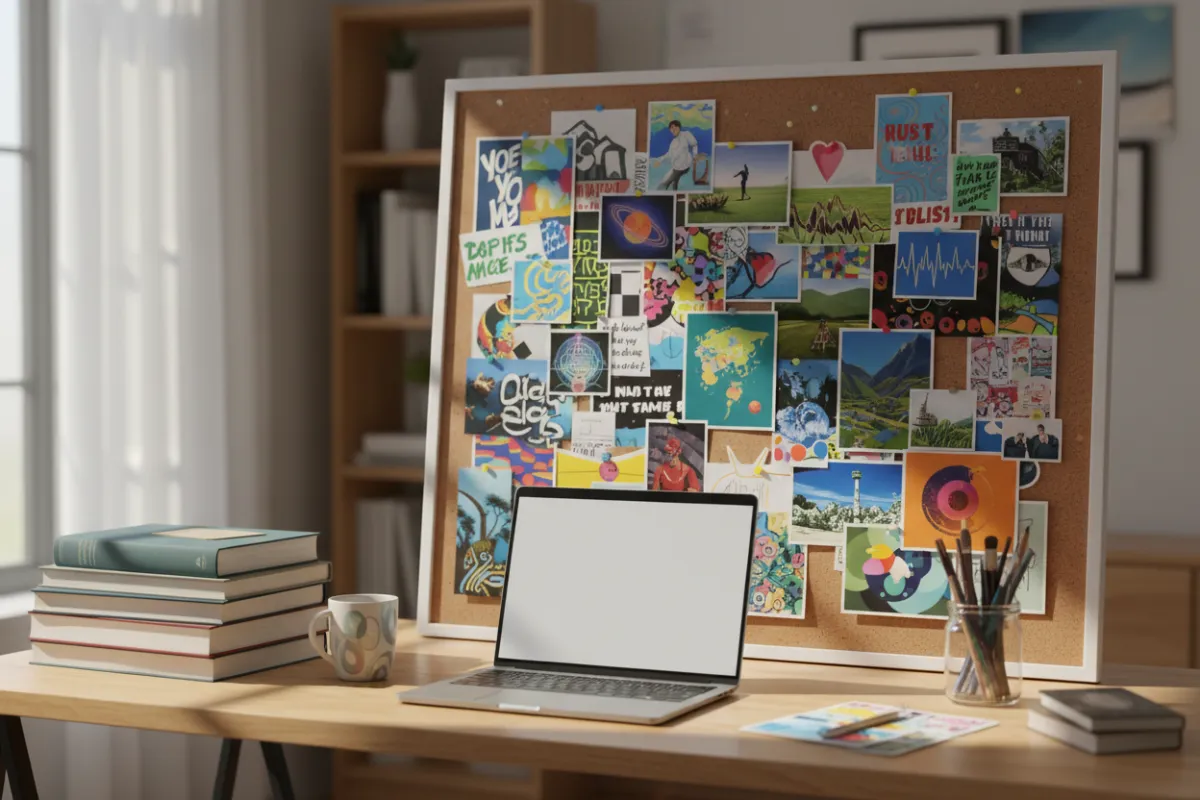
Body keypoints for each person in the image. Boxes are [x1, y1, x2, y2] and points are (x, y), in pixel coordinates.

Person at [657, 120, 699, 191]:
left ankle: (663, 192)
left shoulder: (686, 134)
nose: (673, 129)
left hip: (684, 166)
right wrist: (660, 160)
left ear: (679, 127)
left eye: (674, 127)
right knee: (674, 182)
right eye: (671, 128)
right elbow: (669, 154)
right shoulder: (673, 142)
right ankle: (673, 193)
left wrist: (695, 156)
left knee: (667, 182)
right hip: (676, 167)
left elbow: (694, 144)